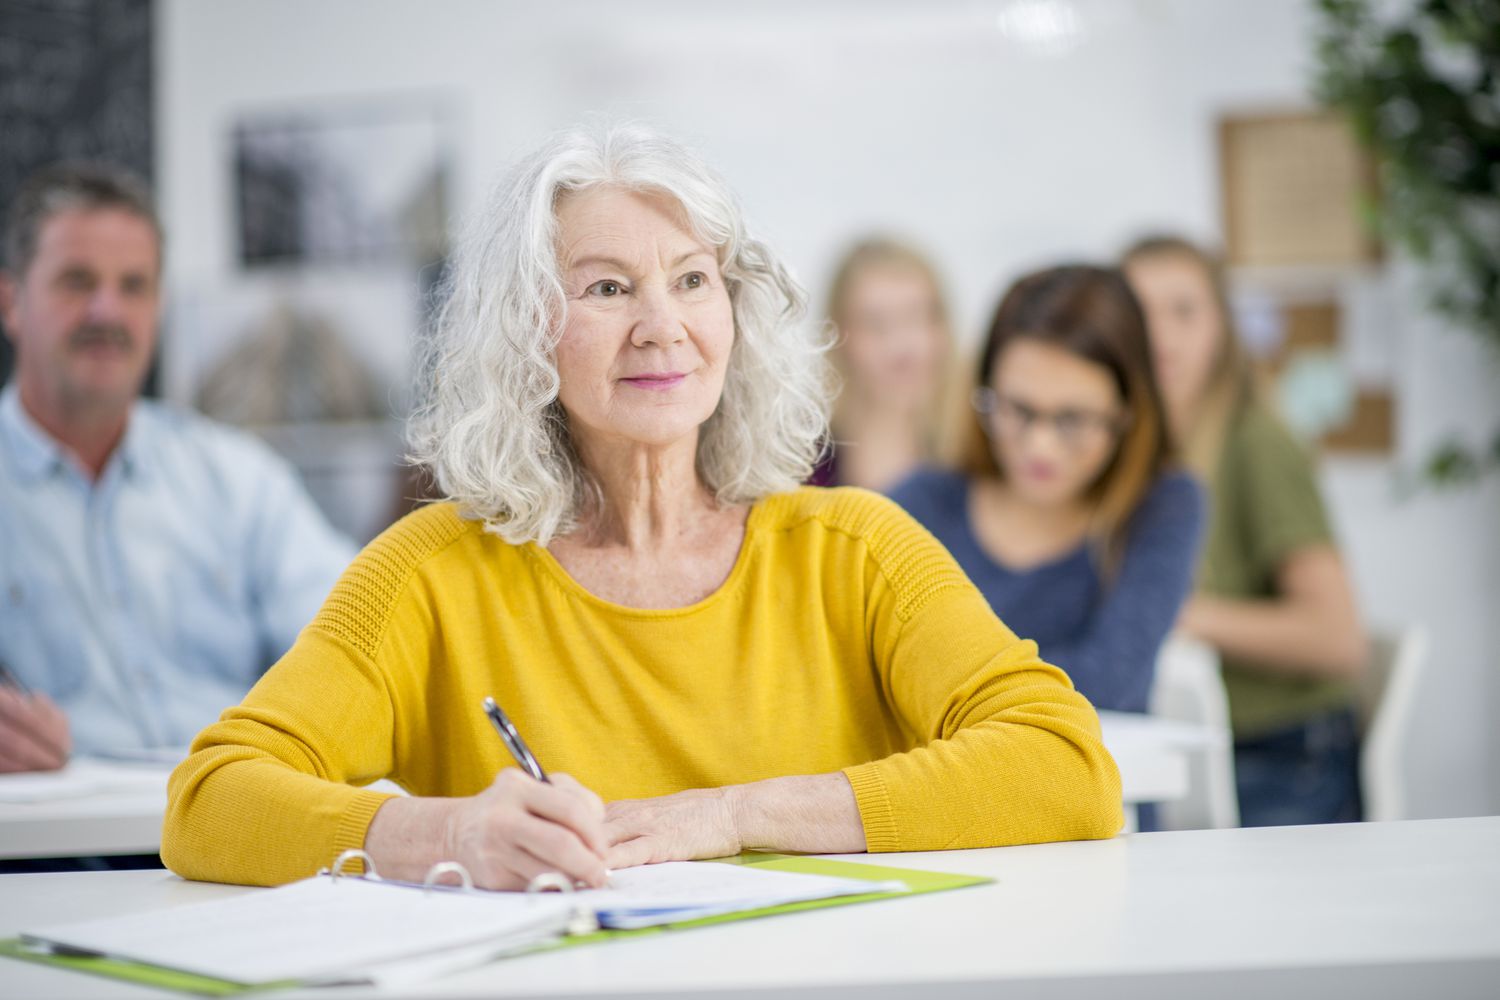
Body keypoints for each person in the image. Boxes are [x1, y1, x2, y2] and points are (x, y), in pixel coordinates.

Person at [162, 123, 1123, 890]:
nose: (662, 327)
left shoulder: (856, 548)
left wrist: (731, 815)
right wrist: (440, 830)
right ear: (527, 331)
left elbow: (1067, 767)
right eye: (608, 288)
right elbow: (208, 804)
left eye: (692, 281)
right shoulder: (426, 573)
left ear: (734, 317)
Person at [0, 164, 355, 773]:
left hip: (236, 833)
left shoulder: (240, 481)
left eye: (133, 285)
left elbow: (357, 639)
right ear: (11, 302)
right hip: (44, 857)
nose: (105, 310)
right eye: (76, 281)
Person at [1122, 235, 1367, 827]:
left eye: (1183, 310)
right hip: (1180, 742)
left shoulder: (1257, 442)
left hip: (1282, 754)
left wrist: (1175, 612)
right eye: (1137, 312)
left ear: (1221, 327)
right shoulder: (1132, 449)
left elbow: (1338, 638)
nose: (1160, 335)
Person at [890, 266, 1203, 716]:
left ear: (1127, 414)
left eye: (1072, 419)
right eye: (1018, 409)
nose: (1040, 446)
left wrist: (938, 682)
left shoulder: (1162, 505)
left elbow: (1111, 683)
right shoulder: (921, 502)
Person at [811, 239, 953, 490]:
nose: (901, 347)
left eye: (916, 318)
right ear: (839, 336)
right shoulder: (805, 464)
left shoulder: (975, 458)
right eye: (875, 324)